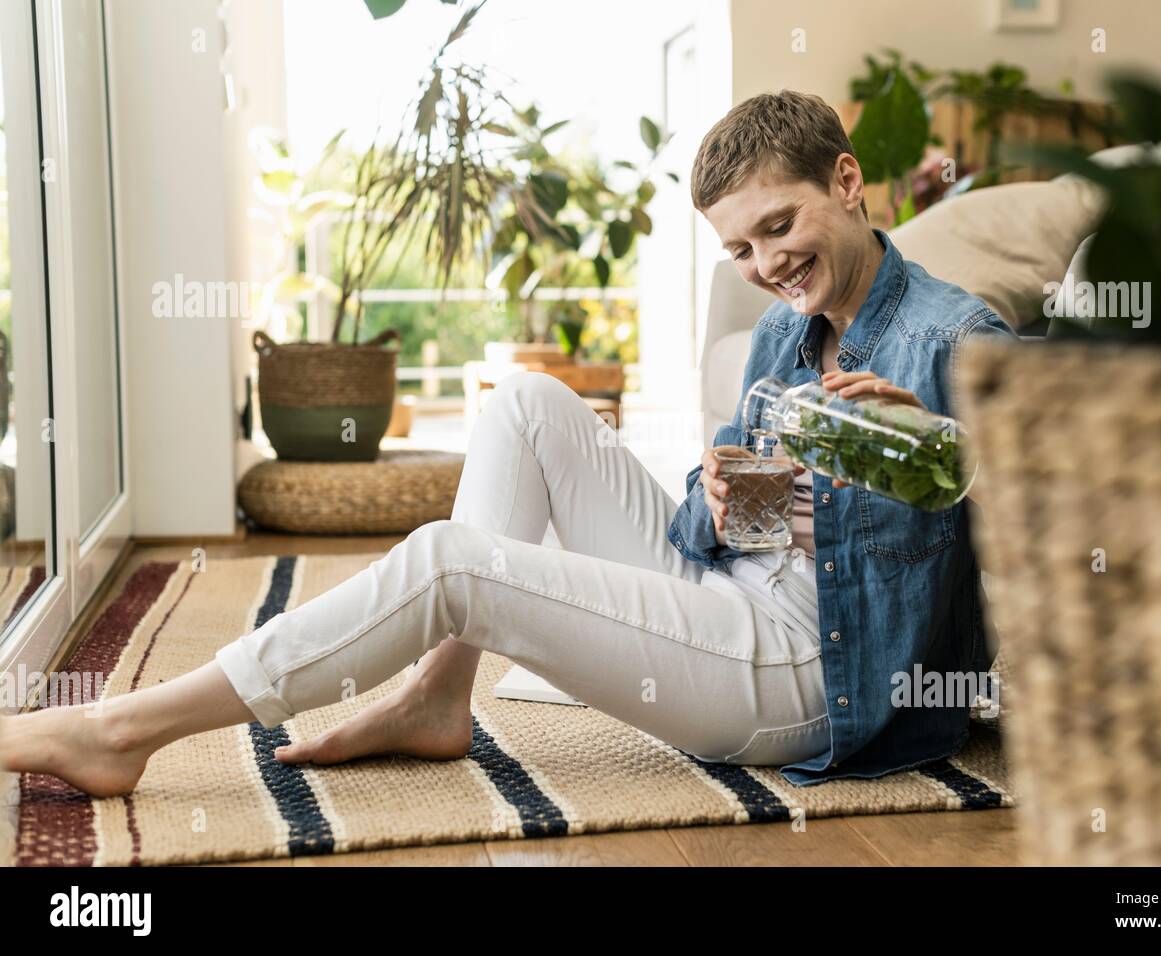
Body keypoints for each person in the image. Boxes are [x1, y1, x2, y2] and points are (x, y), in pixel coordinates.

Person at [0, 89, 1015, 797]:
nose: (762, 264)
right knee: (526, 400)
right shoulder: (779, 334)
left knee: (450, 560)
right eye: (737, 247)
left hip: (808, 674)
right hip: (733, 595)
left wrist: (939, 445)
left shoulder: (955, 339)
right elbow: (742, 525)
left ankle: (120, 729)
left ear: (846, 181)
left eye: (776, 226)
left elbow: (1040, 528)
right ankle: (441, 693)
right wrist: (720, 503)